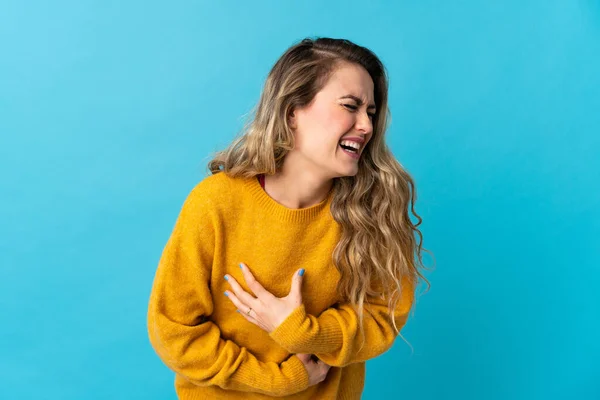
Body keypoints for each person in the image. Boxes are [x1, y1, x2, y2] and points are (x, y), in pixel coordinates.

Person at [147, 37, 429, 399]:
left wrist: (301, 330)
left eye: (371, 112)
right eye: (350, 106)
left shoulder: (375, 212)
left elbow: (381, 318)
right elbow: (175, 330)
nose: (366, 126)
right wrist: (277, 379)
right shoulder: (215, 203)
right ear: (292, 111)